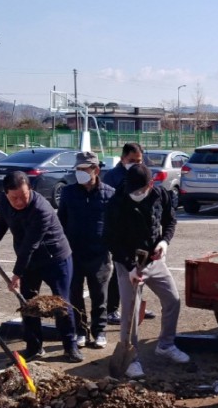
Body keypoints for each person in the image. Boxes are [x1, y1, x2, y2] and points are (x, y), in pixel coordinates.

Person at [0, 170, 81, 363]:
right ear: (5, 194)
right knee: (28, 304)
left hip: (55, 258)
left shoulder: (41, 209)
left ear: (31, 190)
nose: (19, 202)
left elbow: (30, 244)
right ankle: (34, 347)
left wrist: (17, 274)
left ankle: (71, 346)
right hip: (28, 259)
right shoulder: (4, 201)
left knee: (61, 303)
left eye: (23, 196)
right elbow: (0, 223)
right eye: (14, 198)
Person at [103, 162, 188, 378]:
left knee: (172, 299)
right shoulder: (117, 202)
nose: (136, 194)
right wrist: (130, 267)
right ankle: (132, 358)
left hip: (153, 258)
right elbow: (110, 239)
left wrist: (164, 243)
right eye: (132, 190)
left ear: (150, 184)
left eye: (140, 190)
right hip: (128, 263)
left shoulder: (161, 194)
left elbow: (170, 221)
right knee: (130, 311)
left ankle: (166, 345)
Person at [58, 151, 114, 350]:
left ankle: (100, 331)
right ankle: (81, 331)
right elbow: (61, 221)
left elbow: (115, 225)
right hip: (73, 253)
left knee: (100, 296)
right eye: (78, 169)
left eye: (84, 169)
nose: (80, 173)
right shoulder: (68, 192)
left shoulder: (109, 193)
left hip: (99, 255)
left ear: (95, 170)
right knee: (75, 295)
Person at [102, 142, 144, 325]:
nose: (136, 163)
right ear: (122, 159)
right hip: (119, 231)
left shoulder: (142, 173)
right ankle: (112, 309)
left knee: (141, 270)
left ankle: (137, 305)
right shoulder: (113, 177)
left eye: (139, 160)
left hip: (138, 231)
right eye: (132, 160)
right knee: (119, 271)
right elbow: (108, 204)